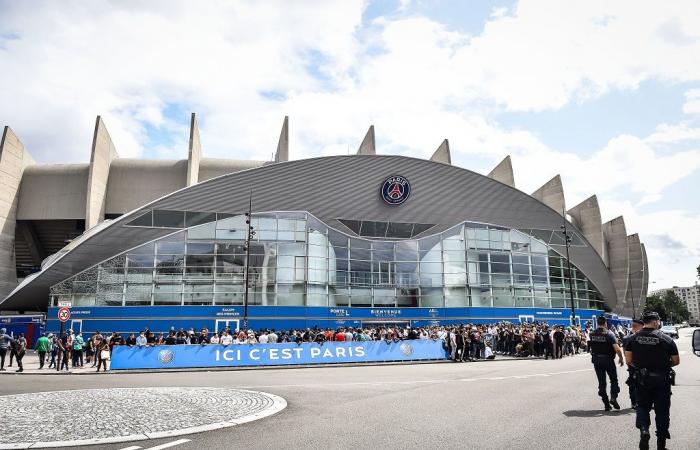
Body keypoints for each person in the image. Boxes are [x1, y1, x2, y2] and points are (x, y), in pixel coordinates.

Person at [624, 312, 680, 450]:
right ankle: (661, 445)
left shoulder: (632, 339)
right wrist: (663, 365)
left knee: (642, 406)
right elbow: (676, 361)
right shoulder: (666, 339)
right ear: (655, 322)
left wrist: (642, 368)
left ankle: (644, 430)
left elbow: (629, 361)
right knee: (662, 411)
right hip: (661, 380)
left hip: (642, 380)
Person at [589, 316, 624, 411]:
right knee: (613, 380)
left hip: (597, 359)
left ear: (597, 323)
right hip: (608, 359)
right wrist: (621, 358)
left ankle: (606, 404)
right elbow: (617, 349)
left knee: (601, 382)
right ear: (605, 323)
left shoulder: (592, 334)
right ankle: (613, 397)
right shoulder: (609, 334)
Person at [622, 319, 644, 409]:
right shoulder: (628, 338)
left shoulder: (627, 338)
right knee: (633, 384)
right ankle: (634, 402)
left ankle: (639, 401)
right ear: (638, 326)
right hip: (634, 365)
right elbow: (625, 353)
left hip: (636, 364)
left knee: (642, 383)